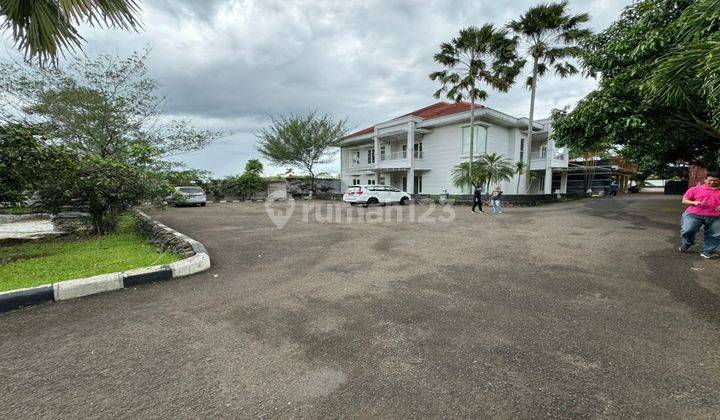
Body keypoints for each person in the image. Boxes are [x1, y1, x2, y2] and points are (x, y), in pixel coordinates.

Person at [679, 172, 720, 259]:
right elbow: (684, 200)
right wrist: (694, 202)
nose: (712, 182)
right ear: (705, 180)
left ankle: (707, 251)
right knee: (688, 230)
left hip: (716, 216)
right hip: (693, 213)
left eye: (715, 181)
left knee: (715, 234)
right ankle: (687, 243)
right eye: (710, 180)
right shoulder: (695, 189)